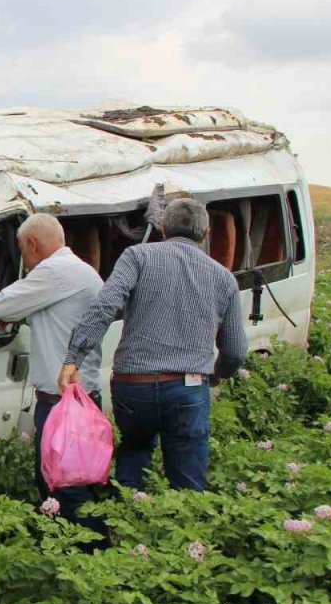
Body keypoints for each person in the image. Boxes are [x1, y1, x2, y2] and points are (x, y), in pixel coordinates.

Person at [59, 198, 247, 492]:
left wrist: (74, 357)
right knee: (188, 480)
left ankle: (126, 512)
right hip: (189, 388)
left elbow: (104, 306)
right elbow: (235, 351)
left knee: (134, 451)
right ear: (205, 234)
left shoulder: (137, 257)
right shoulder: (224, 279)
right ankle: (182, 518)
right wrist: (218, 373)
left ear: (163, 228)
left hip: (134, 386)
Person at [0, 213, 104, 513]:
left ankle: (91, 538)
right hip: (81, 396)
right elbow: (59, 320)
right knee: (71, 481)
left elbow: (1, 303)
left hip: (63, 403)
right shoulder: (81, 270)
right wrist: (20, 317)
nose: (24, 259)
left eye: (23, 249)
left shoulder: (54, 271)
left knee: (63, 487)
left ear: (33, 244)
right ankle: (81, 536)